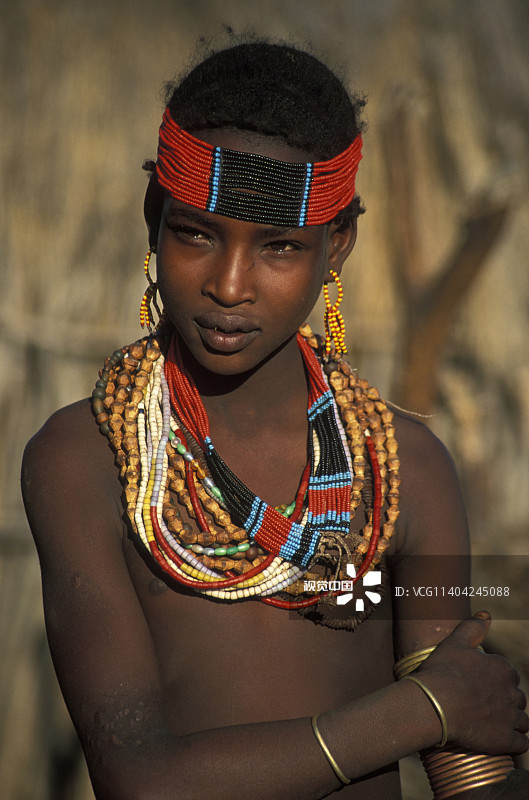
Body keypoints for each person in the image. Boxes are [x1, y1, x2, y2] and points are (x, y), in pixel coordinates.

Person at [22, 40, 528, 800]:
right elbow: (139, 780)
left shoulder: (402, 468)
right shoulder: (88, 459)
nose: (229, 285)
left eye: (279, 246)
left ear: (337, 246)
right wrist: (420, 710)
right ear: (154, 216)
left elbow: (469, 751)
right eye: (195, 233)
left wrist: (450, 711)